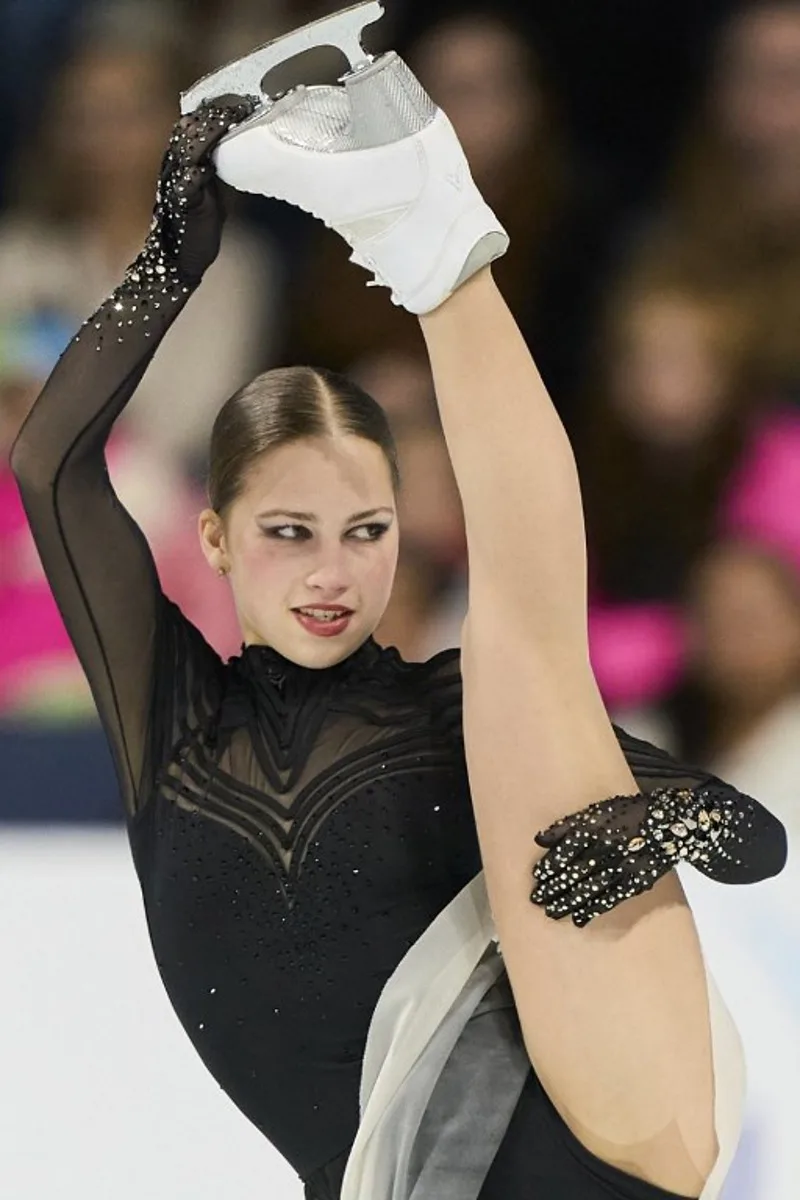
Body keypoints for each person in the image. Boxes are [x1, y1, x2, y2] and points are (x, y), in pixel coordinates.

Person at [10, 43, 786, 1200]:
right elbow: (52, 469)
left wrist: (640, 834)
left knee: (526, 647)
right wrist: (178, 244)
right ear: (215, 541)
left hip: (602, 1142)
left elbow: (749, 837)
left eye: (365, 531)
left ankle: (431, 241)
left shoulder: (449, 709)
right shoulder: (169, 724)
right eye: (289, 532)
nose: (331, 571)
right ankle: (418, 212)